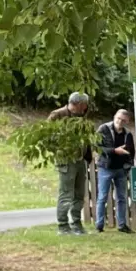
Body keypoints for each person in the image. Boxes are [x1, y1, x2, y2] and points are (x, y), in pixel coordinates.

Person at [47, 92, 91, 235]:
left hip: (80, 160)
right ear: (78, 104)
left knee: (79, 194)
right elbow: (47, 138)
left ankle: (77, 224)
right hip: (66, 161)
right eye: (84, 105)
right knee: (66, 194)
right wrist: (61, 151)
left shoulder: (82, 117)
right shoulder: (57, 115)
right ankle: (63, 226)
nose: (86, 108)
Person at [95, 109, 135, 234]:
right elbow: (97, 147)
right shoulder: (103, 129)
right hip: (105, 168)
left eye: (123, 120)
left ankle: (122, 225)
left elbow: (131, 152)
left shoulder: (128, 134)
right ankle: (99, 225)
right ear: (114, 117)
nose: (120, 121)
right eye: (118, 118)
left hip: (121, 169)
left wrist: (127, 165)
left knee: (122, 198)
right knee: (102, 197)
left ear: (127, 121)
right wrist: (114, 151)